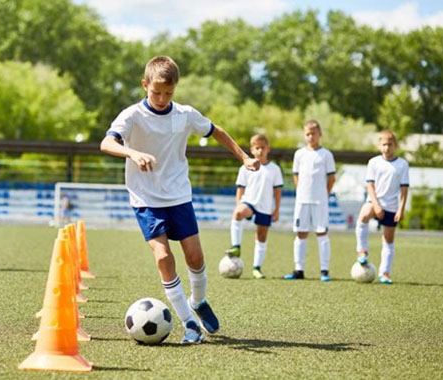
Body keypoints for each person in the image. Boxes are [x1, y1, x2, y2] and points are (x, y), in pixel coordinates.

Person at [100, 56, 259, 344]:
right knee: (163, 257)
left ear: (175, 88)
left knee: (195, 257)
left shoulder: (184, 114)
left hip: (178, 196)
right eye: (156, 92)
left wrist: (244, 156)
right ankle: (189, 323)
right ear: (145, 85)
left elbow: (216, 131)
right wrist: (132, 153)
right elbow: (106, 142)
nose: (162, 98)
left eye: (168, 93)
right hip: (145, 198)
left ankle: (198, 302)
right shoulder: (132, 115)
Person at [225, 134, 283, 279]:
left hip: (265, 206)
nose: (260, 151)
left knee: (261, 236)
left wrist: (276, 209)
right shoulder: (245, 168)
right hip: (249, 202)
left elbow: (277, 190)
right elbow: (240, 188)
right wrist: (238, 204)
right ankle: (236, 247)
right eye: (257, 148)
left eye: (263, 147)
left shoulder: (274, 169)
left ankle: (257, 268)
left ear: (268, 149)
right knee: (238, 213)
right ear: (252, 150)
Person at [284, 120, 336, 282]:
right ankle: (299, 269)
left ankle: (324, 270)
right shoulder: (299, 154)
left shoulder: (326, 155)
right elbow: (296, 175)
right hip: (302, 201)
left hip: (320, 201)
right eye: (308, 134)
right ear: (304, 135)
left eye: (313, 133)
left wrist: (324, 194)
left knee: (322, 233)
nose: (311, 136)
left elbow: (331, 178)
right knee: (301, 233)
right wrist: (301, 192)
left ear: (320, 134)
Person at [355, 130, 409, 284]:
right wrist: (376, 205)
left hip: (392, 206)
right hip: (374, 201)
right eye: (384, 144)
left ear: (395, 145)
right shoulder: (373, 162)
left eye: (390, 144)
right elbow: (370, 186)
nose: (387, 148)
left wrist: (401, 208)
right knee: (364, 215)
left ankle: (384, 272)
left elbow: (404, 189)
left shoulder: (402, 164)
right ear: (379, 146)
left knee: (388, 239)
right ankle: (362, 251)